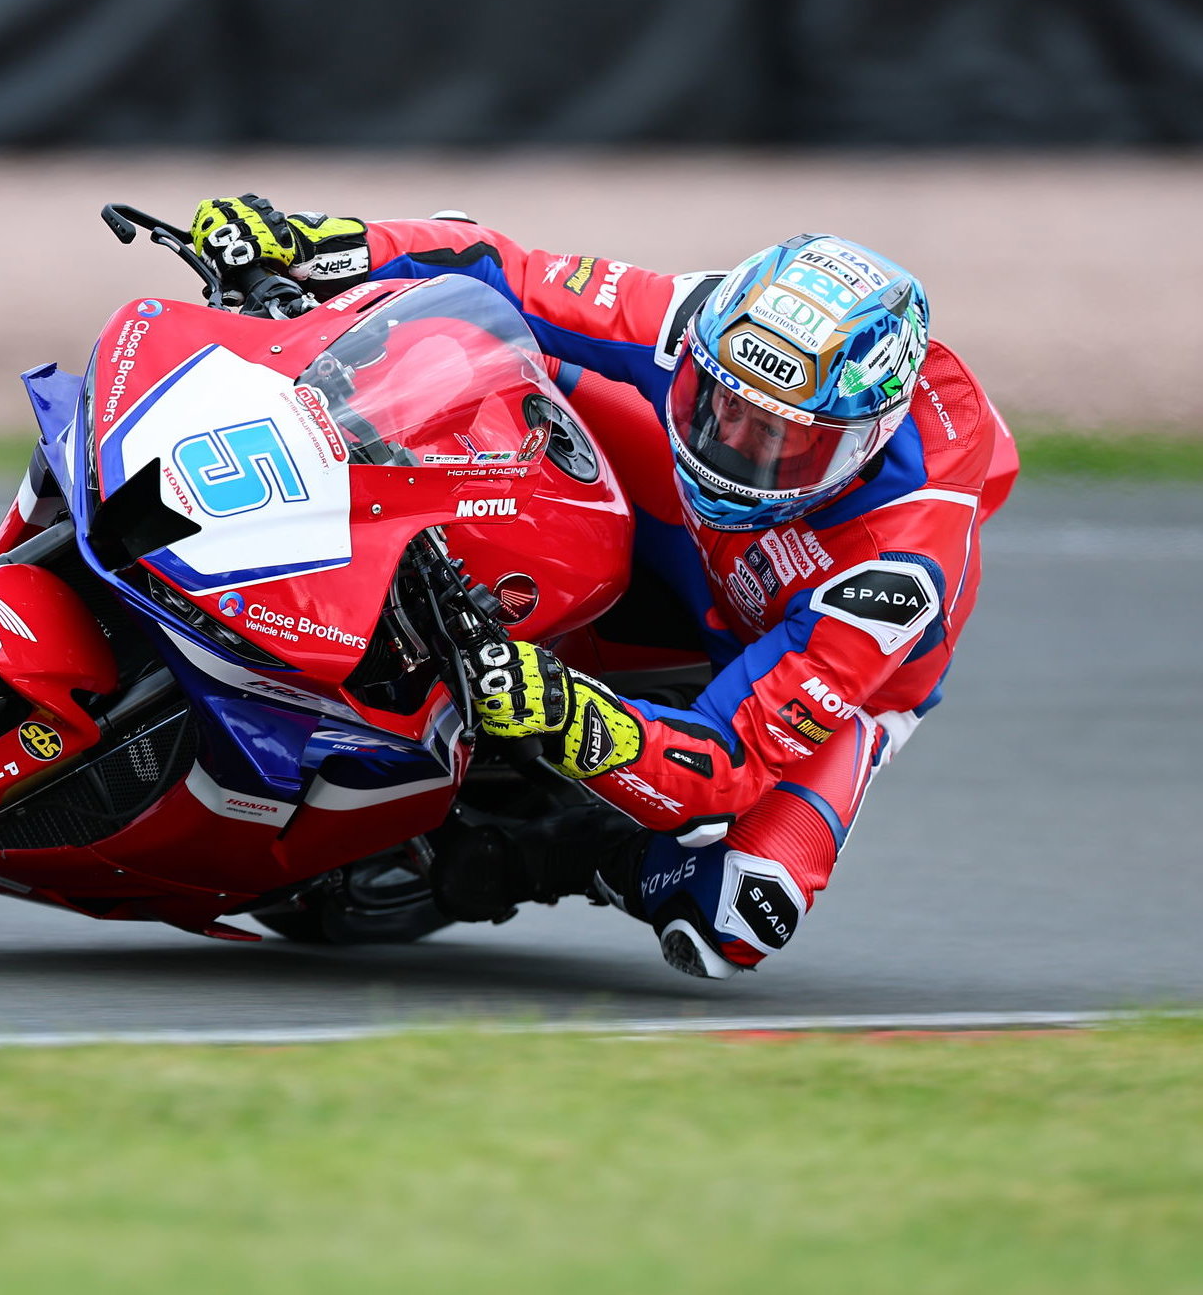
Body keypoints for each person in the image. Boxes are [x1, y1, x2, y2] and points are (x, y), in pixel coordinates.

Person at [189, 195, 1020, 979]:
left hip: (803, 642)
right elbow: (495, 266)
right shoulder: (705, 321)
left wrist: (564, 711)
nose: (729, 445)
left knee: (735, 914)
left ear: (860, 444)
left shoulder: (894, 576)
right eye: (717, 404)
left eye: (776, 440)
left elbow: (722, 764)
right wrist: (315, 245)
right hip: (692, 528)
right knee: (474, 349)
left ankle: (535, 855)